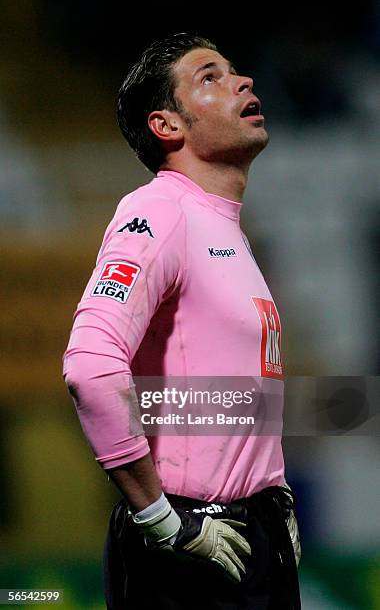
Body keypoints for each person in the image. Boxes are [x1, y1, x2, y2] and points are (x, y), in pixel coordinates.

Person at [63, 32, 301, 609]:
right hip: (191, 541)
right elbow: (91, 368)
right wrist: (161, 520)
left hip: (252, 531)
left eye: (235, 70)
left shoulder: (223, 228)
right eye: (210, 77)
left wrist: (273, 490)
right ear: (168, 126)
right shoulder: (158, 211)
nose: (242, 81)